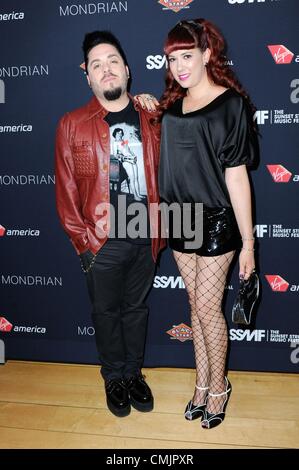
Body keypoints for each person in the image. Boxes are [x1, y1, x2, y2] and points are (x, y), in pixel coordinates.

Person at [55, 30, 164, 417]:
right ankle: (113, 377)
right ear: (88, 77)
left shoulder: (153, 114)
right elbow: (66, 190)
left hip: (145, 232)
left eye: (113, 61)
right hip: (100, 241)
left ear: (128, 70)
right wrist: (84, 245)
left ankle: (134, 373)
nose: (106, 69)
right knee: (105, 314)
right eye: (96, 64)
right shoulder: (71, 124)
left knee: (136, 309)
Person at [157, 19, 258, 429]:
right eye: (172, 58)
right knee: (194, 309)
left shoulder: (230, 104)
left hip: (216, 219)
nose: (179, 66)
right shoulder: (172, 105)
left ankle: (219, 387)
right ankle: (201, 384)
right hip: (179, 217)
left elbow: (237, 176)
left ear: (206, 54)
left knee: (208, 308)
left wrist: (249, 243)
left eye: (186, 55)